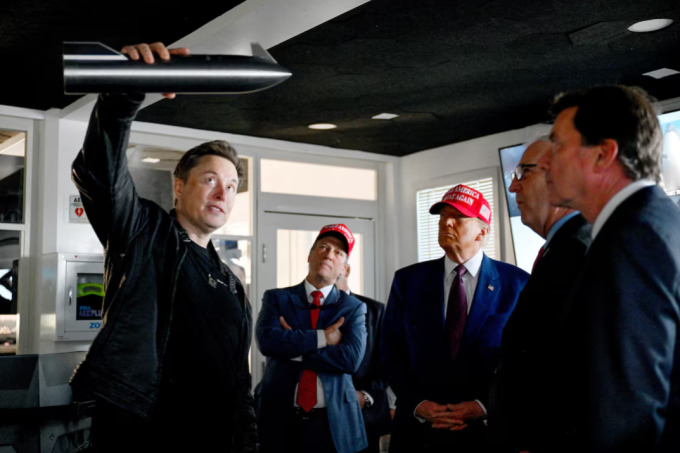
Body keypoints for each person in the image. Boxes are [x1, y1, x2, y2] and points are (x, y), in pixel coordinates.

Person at [69, 42, 256, 452]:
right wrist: (124, 93)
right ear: (179, 186)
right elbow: (99, 174)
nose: (222, 193)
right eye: (210, 180)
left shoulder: (231, 282)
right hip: (141, 435)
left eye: (231, 186)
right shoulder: (145, 234)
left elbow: (240, 385)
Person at [541, 85, 680, 452]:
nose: (545, 162)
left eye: (557, 145)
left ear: (603, 154)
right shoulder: (658, 223)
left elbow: (627, 412)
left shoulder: (631, 242)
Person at [381, 184, 529, 453]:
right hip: (418, 432)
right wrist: (416, 403)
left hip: (485, 434)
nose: (446, 222)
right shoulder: (408, 280)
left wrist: (484, 405)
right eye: (443, 216)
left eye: (458, 217)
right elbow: (390, 350)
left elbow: (526, 360)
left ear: (482, 232)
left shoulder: (517, 284)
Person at [488, 138, 591, 452]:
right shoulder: (560, 249)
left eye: (524, 173)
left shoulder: (579, 250)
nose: (513, 187)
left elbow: (573, 363)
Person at [255, 224, 368, 453]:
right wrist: (323, 338)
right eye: (323, 247)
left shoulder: (353, 308)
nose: (329, 254)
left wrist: (292, 349)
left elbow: (349, 360)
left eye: (338, 252)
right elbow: (267, 342)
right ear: (309, 255)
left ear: (344, 268)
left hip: (334, 423)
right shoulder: (277, 298)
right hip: (280, 419)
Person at [335, 264, 392, 453]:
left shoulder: (376, 310)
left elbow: (389, 362)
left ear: (346, 270)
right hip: (316, 418)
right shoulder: (306, 311)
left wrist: (365, 396)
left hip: (365, 418)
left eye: (337, 255)